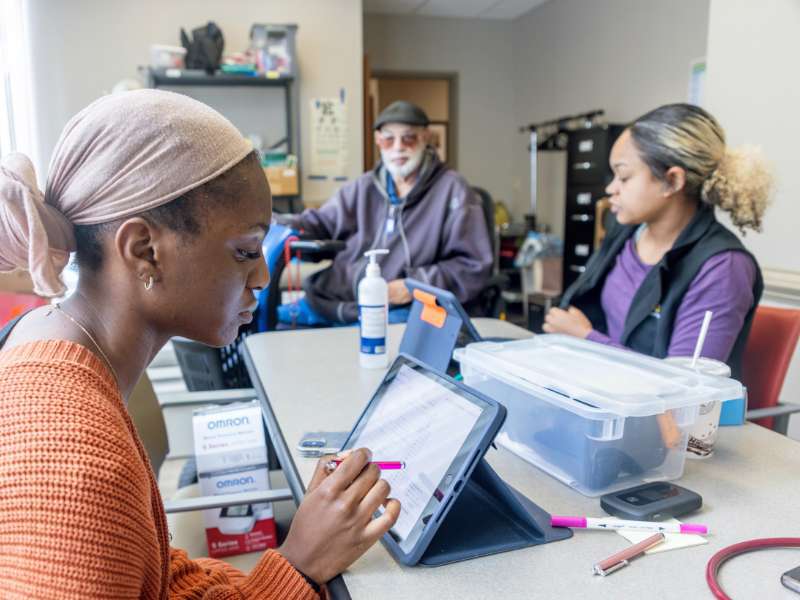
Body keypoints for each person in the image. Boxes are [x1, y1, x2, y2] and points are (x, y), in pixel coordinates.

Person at [0, 90, 400, 599]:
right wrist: (296, 567)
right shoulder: (73, 463)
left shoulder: (45, 335)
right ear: (145, 250)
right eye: (246, 251)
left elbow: (147, 571)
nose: (262, 275)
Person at [544, 104, 771, 379]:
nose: (610, 189)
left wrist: (586, 338)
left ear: (672, 181)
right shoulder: (625, 233)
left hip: (662, 419)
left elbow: (684, 389)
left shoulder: (723, 267)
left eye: (624, 176)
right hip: (600, 391)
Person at [276, 100, 492, 325]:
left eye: (408, 137)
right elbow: (320, 223)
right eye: (389, 139)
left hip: (399, 309)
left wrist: (413, 285)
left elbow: (472, 266)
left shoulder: (453, 191)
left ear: (425, 137)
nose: (398, 147)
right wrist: (276, 223)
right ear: (379, 142)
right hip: (335, 300)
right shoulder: (364, 186)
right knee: (266, 324)